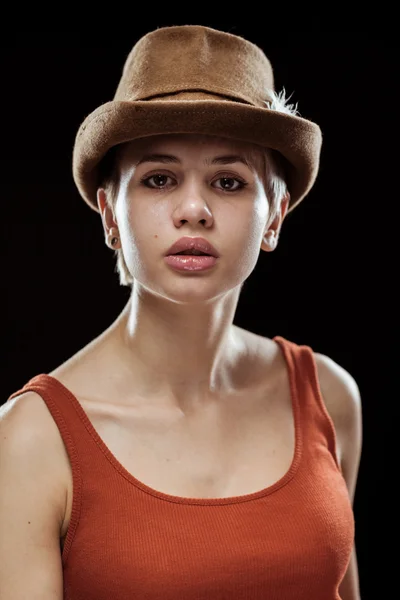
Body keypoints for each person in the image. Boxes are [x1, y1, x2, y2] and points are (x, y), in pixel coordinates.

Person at [1, 25, 362, 599]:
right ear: (109, 214)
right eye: (159, 178)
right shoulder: (32, 439)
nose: (193, 210)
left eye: (228, 180)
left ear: (275, 217)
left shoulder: (327, 396)